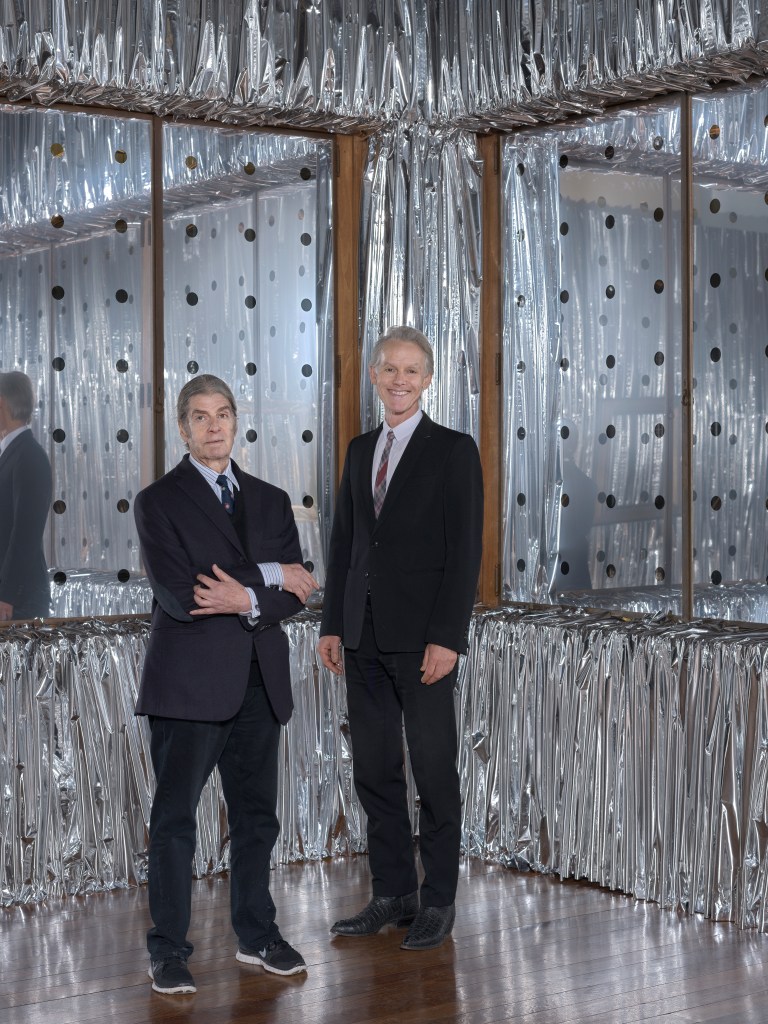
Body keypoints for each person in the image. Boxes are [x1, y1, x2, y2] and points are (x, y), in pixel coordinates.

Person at [134, 374, 318, 995]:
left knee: (257, 819)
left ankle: (257, 935)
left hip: (259, 684)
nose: (214, 426)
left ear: (236, 422)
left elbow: (296, 595)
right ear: (182, 429)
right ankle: (168, 951)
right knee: (175, 823)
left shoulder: (269, 498)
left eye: (223, 414)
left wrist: (248, 597)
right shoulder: (158, 501)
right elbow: (182, 593)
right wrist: (262, 578)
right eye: (200, 417)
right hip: (187, 688)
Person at [318, 326, 483, 951]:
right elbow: (346, 542)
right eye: (390, 369)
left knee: (434, 771)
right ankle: (394, 892)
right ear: (373, 375)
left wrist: (448, 639)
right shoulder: (361, 450)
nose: (400, 381)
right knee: (375, 771)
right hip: (360, 638)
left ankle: (437, 898)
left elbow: (464, 552)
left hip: (423, 645)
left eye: (412, 371)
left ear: (429, 379)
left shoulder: (453, 450)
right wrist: (333, 622)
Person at [0, 371, 52, 621]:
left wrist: (6, 594)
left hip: (19, 598)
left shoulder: (29, 456)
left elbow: (25, 532)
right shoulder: (13, 453)